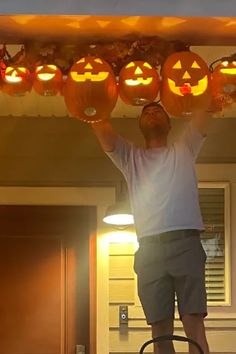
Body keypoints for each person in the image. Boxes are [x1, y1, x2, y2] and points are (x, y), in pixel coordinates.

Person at [90, 102, 211, 354]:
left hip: (186, 244)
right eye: (146, 111)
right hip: (149, 251)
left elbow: (202, 110)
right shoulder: (130, 157)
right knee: (159, 330)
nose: (152, 112)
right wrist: (90, 102)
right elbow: (99, 124)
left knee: (194, 325)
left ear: (169, 124)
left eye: (158, 110)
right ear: (140, 126)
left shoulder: (184, 148)